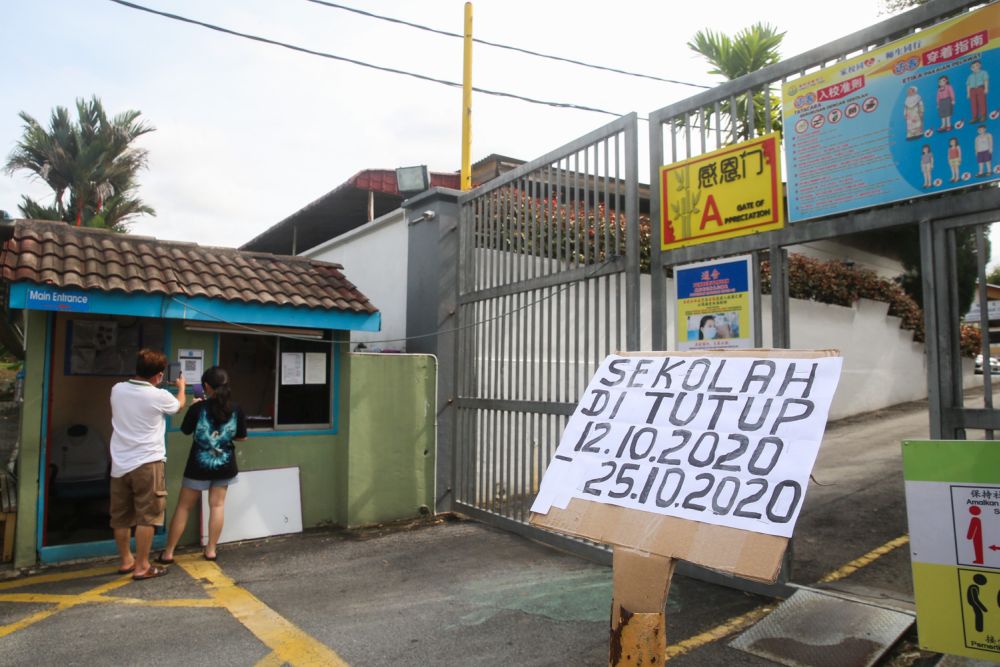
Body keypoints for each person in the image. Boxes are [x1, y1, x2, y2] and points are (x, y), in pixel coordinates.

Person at [110, 348, 186, 580]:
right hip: (148, 463)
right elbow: (178, 405)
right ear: (159, 375)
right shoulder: (159, 395)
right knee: (148, 516)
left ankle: (126, 560)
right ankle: (143, 565)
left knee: (121, 516)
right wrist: (181, 388)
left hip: (119, 463)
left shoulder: (117, 389)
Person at [157, 366, 246, 564]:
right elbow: (242, 437)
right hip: (225, 463)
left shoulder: (198, 408)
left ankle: (169, 552)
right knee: (217, 505)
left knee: (184, 507)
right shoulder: (236, 408)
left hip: (197, 466)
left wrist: (194, 406)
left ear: (206, 386)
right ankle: (211, 550)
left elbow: (186, 431)